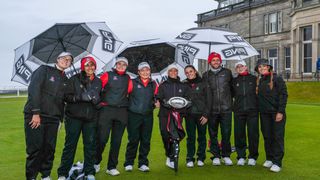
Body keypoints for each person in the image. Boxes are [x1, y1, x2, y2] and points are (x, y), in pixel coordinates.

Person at [24, 52, 73, 180]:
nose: (66, 61)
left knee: (49, 148)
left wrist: (60, 120)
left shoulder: (66, 79)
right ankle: (31, 176)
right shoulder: (44, 69)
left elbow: (64, 100)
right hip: (36, 116)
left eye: (69, 60)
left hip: (54, 118)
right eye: (63, 58)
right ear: (57, 59)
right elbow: (34, 90)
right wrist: (35, 113)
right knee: (35, 148)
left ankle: (45, 174)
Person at [57, 56, 102, 180]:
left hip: (90, 118)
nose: (90, 67)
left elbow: (100, 99)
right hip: (73, 117)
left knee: (90, 145)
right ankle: (63, 173)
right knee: (70, 145)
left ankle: (89, 171)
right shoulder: (74, 79)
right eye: (87, 65)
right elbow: (66, 96)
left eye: (92, 65)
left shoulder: (98, 81)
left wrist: (97, 101)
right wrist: (80, 97)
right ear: (83, 67)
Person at [94, 57, 133, 176]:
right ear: (115, 65)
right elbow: (97, 89)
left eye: (124, 64)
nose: (121, 66)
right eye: (119, 64)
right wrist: (98, 103)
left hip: (122, 112)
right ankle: (95, 162)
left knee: (116, 141)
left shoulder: (128, 78)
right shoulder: (107, 75)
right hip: (107, 110)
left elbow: (130, 92)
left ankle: (111, 167)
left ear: (126, 66)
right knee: (102, 139)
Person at [124, 62, 158, 172]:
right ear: (138, 72)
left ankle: (143, 163)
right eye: (142, 70)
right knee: (133, 140)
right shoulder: (132, 82)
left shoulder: (154, 84)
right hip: (133, 115)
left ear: (150, 71)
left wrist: (156, 103)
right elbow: (125, 96)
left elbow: (156, 99)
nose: (145, 72)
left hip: (148, 116)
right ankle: (129, 163)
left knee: (146, 140)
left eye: (147, 70)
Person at [255, 59, 288, 173]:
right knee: (267, 136)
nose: (262, 68)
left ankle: (277, 162)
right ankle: (269, 158)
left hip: (276, 113)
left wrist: (280, 112)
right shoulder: (259, 80)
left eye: (264, 66)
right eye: (259, 67)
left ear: (269, 67)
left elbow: (283, 95)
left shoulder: (277, 78)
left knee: (277, 137)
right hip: (264, 114)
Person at [202, 52, 233, 166]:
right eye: (213, 60)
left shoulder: (227, 73)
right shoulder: (205, 75)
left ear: (220, 61)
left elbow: (232, 89)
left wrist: (229, 102)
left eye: (217, 60)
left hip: (226, 109)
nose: (216, 62)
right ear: (209, 62)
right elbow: (204, 93)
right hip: (212, 109)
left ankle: (226, 155)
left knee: (226, 133)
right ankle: (215, 155)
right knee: (212, 133)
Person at [157, 63, 189, 169]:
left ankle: (173, 158)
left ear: (177, 72)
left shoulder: (183, 85)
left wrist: (186, 104)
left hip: (178, 115)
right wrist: (164, 102)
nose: (173, 72)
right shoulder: (163, 85)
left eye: (175, 70)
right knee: (165, 135)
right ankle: (169, 154)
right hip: (164, 114)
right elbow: (159, 97)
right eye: (171, 71)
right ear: (168, 72)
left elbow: (187, 99)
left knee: (175, 136)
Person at [232, 61, 259, 166]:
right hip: (239, 111)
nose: (240, 68)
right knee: (239, 135)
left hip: (252, 111)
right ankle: (241, 156)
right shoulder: (234, 81)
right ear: (236, 69)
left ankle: (253, 157)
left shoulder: (254, 79)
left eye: (241, 66)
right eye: (237, 67)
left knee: (253, 134)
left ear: (246, 67)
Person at [183, 65, 209, 168]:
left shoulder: (203, 83)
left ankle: (201, 158)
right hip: (189, 115)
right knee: (191, 138)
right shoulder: (184, 84)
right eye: (187, 72)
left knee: (202, 137)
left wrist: (206, 115)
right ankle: (190, 158)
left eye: (191, 71)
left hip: (201, 115)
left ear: (195, 71)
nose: (189, 73)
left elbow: (209, 100)